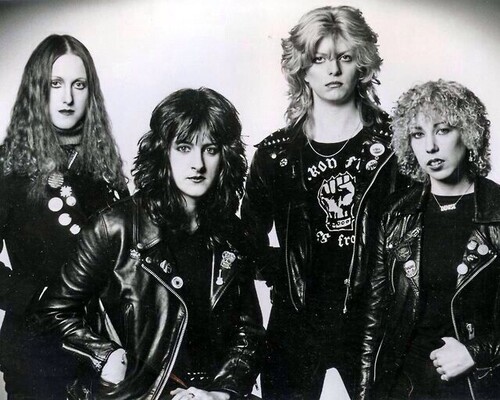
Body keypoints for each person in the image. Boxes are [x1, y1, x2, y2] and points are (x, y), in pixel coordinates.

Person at [34, 87, 265, 400]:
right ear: (163, 152)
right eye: (184, 148)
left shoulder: (232, 232)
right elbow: (53, 312)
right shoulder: (116, 227)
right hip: (139, 393)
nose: (197, 164)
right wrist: (106, 356)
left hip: (208, 393)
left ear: (225, 156)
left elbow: (248, 331)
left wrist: (222, 392)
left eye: (210, 150)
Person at [241, 5, 404, 399]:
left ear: (361, 64)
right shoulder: (276, 154)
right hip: (296, 323)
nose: (333, 70)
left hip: (374, 318)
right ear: (302, 67)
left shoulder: (396, 144)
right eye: (319, 59)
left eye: (344, 58)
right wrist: (284, 272)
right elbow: (245, 237)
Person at [0, 34, 128, 399]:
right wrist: (38, 297)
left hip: (107, 353)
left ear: (91, 92)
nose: (67, 98)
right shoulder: (8, 167)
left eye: (78, 85)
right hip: (38, 352)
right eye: (55, 84)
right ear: (36, 90)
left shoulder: (105, 167)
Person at [357, 80, 500, 400]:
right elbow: (374, 319)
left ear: (469, 133)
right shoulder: (396, 213)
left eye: (443, 130)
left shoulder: (496, 211)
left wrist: (476, 352)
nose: (430, 147)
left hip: (474, 387)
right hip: (402, 387)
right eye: (418, 134)